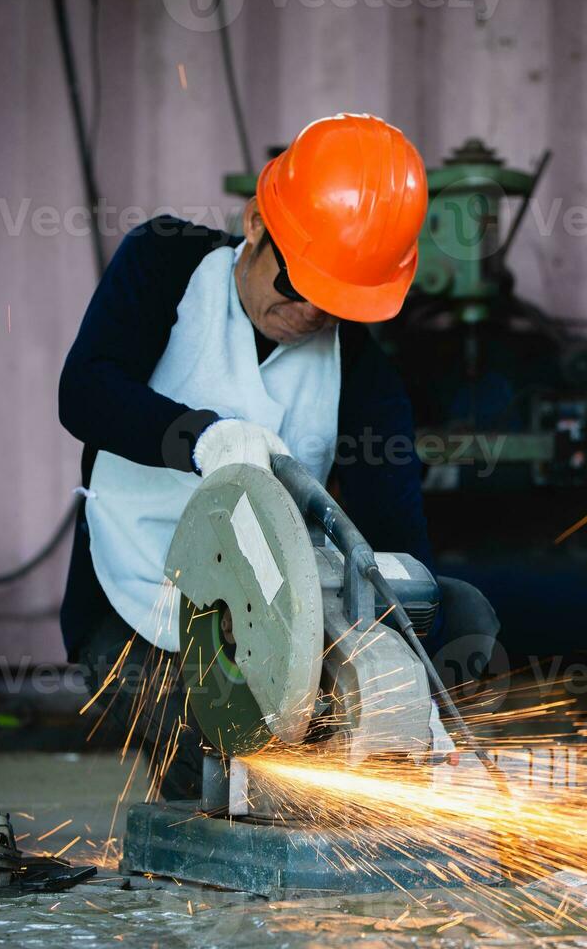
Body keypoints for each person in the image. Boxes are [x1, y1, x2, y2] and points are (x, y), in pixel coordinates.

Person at [57, 113, 496, 798]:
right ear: (258, 223)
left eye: (334, 303)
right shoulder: (164, 265)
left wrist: (420, 704)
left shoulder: (364, 374)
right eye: (298, 287)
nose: (310, 317)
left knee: (460, 610)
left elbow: (396, 539)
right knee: (243, 765)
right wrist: (199, 438)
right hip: (133, 604)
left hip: (270, 620)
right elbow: (85, 392)